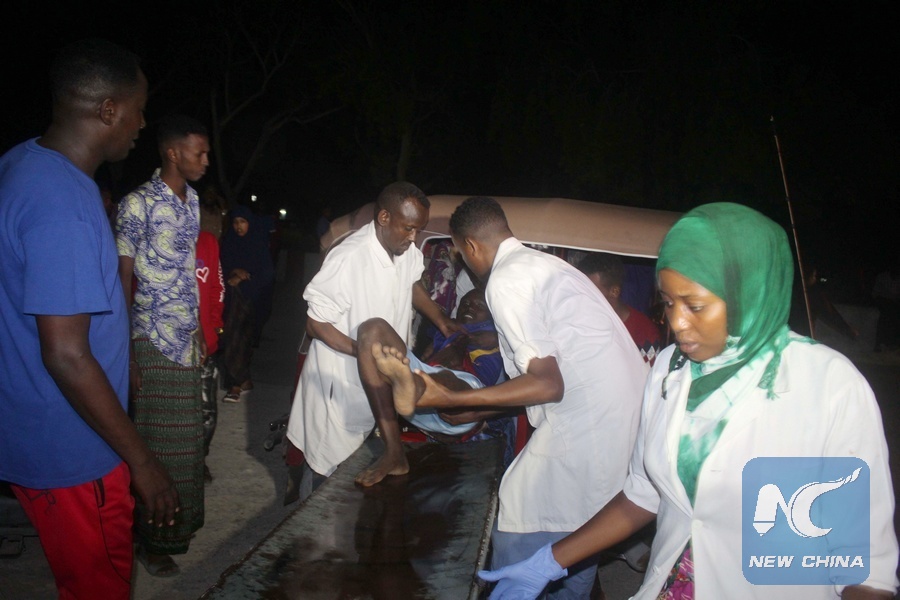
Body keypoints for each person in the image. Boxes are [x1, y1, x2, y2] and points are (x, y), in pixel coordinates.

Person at [479, 203, 899, 599]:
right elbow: (643, 494)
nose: (677, 323)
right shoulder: (669, 369)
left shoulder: (826, 385)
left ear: (749, 292)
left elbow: (865, 571)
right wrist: (550, 560)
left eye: (695, 306)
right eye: (667, 302)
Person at [0, 38, 178, 599]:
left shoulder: (24, 162)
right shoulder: (64, 205)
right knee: (98, 588)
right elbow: (66, 354)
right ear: (108, 110)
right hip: (74, 448)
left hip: (43, 429)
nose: (142, 125)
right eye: (138, 110)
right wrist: (142, 462)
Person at [414, 196, 648, 597]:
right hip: (622, 434)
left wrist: (452, 400)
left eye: (460, 254)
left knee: (519, 517)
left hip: (586, 435)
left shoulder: (506, 280)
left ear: (470, 246)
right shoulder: (550, 268)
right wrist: (482, 410)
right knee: (577, 541)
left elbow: (548, 384)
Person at [285, 181, 459, 499]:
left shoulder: (404, 249)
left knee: (361, 476)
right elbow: (315, 324)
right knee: (327, 478)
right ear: (384, 218)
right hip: (339, 384)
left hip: (376, 382)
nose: (413, 237)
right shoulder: (349, 257)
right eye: (408, 228)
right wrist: (367, 354)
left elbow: (411, 284)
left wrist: (441, 319)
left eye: (418, 230)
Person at [116, 113, 210, 576]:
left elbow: (188, 270)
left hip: (185, 338)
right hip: (151, 338)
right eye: (199, 152)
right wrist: (126, 352)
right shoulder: (137, 204)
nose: (206, 161)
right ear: (173, 153)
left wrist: (200, 330)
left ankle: (174, 531)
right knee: (156, 443)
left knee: (188, 445)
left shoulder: (193, 202)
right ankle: (149, 542)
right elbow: (122, 278)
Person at [355, 287, 509, 486]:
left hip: (465, 404)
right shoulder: (444, 333)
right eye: (465, 303)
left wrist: (464, 337)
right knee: (372, 329)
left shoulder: (497, 337)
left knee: (446, 377)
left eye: (479, 305)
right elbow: (428, 360)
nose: (469, 307)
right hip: (419, 397)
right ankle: (395, 450)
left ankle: (409, 384)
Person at [218, 204, 276, 402]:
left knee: (243, 340)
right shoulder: (230, 242)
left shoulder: (257, 242)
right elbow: (222, 266)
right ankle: (238, 382)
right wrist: (235, 272)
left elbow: (266, 274)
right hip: (232, 300)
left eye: (242, 222)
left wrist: (246, 276)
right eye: (235, 222)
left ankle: (239, 382)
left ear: (250, 223)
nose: (238, 226)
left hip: (253, 301)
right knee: (233, 338)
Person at [578, 252, 662, 366]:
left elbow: (649, 375)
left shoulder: (644, 333)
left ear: (614, 292)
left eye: (591, 292)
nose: (583, 297)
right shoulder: (579, 322)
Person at [196, 229, 225, 480]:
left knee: (207, 412)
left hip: (205, 345)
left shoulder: (207, 241)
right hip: (167, 345)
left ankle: (199, 459)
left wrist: (213, 326)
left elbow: (217, 287)